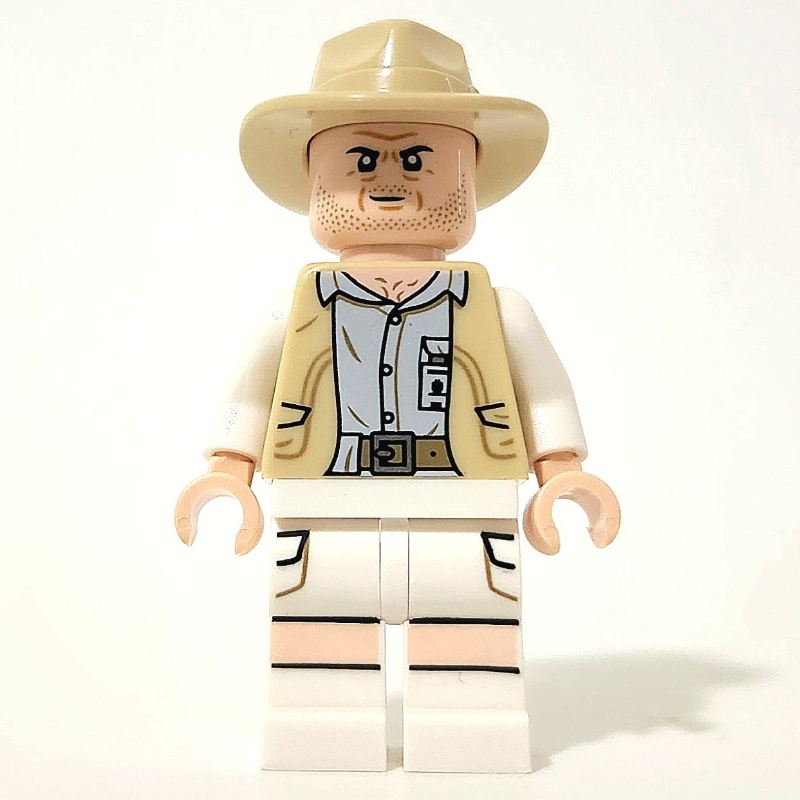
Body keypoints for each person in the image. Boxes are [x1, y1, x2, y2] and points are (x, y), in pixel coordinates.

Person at [175, 19, 620, 773]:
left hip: (464, 493)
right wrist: (227, 470)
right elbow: (248, 394)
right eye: (361, 158)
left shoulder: (497, 309)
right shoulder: (295, 308)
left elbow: (544, 393)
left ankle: (467, 723)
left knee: (467, 606)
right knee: (321, 608)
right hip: (323, 490)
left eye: (419, 158)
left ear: (469, 176)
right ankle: (320, 724)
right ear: (314, 178)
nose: (389, 179)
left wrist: (562, 472)